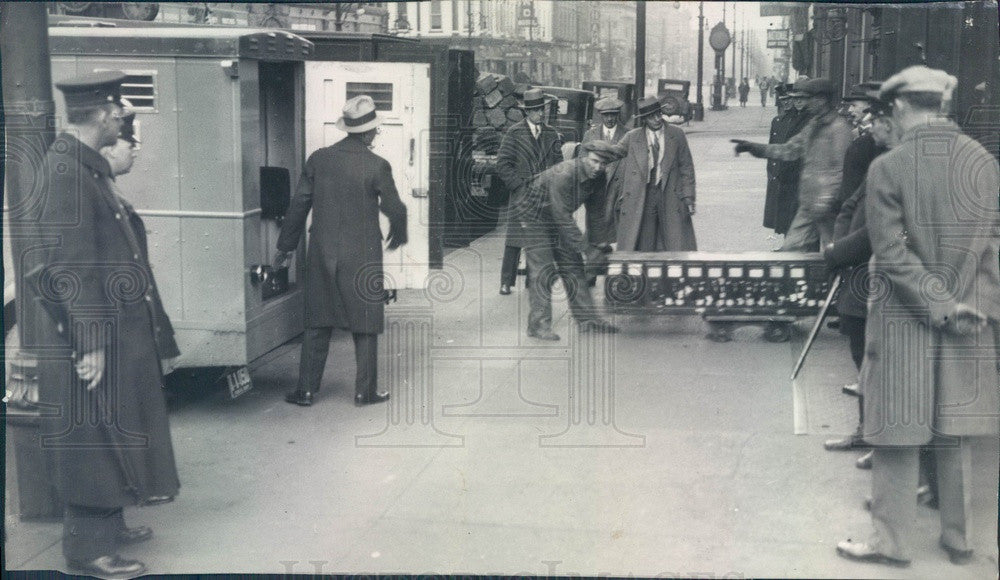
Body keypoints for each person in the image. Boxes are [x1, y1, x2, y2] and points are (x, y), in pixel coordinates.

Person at [836, 65, 1000, 568]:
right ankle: (963, 538)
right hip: (972, 315)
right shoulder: (985, 162)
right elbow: (992, 247)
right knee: (960, 431)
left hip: (907, 318)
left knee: (896, 433)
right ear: (943, 105)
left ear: (903, 107)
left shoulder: (889, 166)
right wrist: (980, 310)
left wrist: (939, 307)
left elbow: (891, 253)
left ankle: (891, 544)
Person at [21, 72, 180, 577]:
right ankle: (88, 550)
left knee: (114, 427)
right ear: (105, 114)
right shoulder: (68, 172)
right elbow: (70, 268)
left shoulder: (83, 168)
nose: (123, 121)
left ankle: (109, 526)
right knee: (92, 435)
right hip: (91, 333)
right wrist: (91, 343)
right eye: (119, 113)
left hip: (113, 327)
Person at [275, 95, 407, 407]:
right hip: (361, 255)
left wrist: (286, 247)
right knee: (366, 322)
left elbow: (299, 205)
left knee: (317, 320)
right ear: (370, 132)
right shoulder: (376, 165)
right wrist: (398, 234)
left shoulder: (319, 159)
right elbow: (395, 209)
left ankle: (306, 390)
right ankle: (365, 391)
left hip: (321, 251)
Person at [820, 101, 893, 459]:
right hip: (856, 270)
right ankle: (867, 432)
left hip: (878, 275)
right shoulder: (879, 163)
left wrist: (837, 252)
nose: (868, 126)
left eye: (875, 121)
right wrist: (838, 244)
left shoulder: (898, 167)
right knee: (861, 352)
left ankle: (882, 438)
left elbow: (880, 230)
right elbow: (850, 205)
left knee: (876, 360)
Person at [520, 140, 626, 340]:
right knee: (543, 270)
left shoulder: (599, 177)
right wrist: (587, 249)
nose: (598, 167)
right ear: (584, 156)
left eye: (603, 164)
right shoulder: (565, 173)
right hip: (534, 216)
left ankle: (588, 319)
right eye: (594, 161)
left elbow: (595, 213)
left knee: (573, 267)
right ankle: (538, 326)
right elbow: (561, 217)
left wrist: (598, 244)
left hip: (557, 216)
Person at [734, 78, 854, 251]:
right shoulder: (813, 125)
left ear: (821, 100)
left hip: (829, 209)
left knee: (834, 254)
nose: (804, 103)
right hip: (810, 204)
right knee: (791, 251)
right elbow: (790, 150)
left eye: (808, 99)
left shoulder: (839, 129)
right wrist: (755, 148)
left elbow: (841, 170)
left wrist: (826, 200)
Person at [495, 88, 563, 296]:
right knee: (514, 241)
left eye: (541, 109)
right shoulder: (514, 133)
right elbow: (502, 165)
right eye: (535, 110)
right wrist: (518, 186)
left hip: (543, 196)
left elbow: (559, 162)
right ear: (527, 113)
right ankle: (506, 282)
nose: (540, 114)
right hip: (522, 195)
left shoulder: (551, 133)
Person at [612, 96, 697, 252]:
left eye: (658, 114)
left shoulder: (677, 135)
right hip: (643, 195)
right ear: (644, 119)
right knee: (645, 239)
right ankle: (646, 273)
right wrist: (592, 151)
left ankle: (674, 274)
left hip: (671, 193)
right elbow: (614, 152)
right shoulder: (633, 137)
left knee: (674, 240)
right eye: (651, 117)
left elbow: (687, 167)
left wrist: (689, 196)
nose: (657, 119)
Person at [761, 81, 810, 238]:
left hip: (793, 171)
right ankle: (785, 240)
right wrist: (771, 169)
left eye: (789, 99)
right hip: (779, 171)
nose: (787, 103)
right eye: (783, 100)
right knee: (781, 213)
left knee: (792, 211)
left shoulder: (799, 121)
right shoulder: (777, 121)